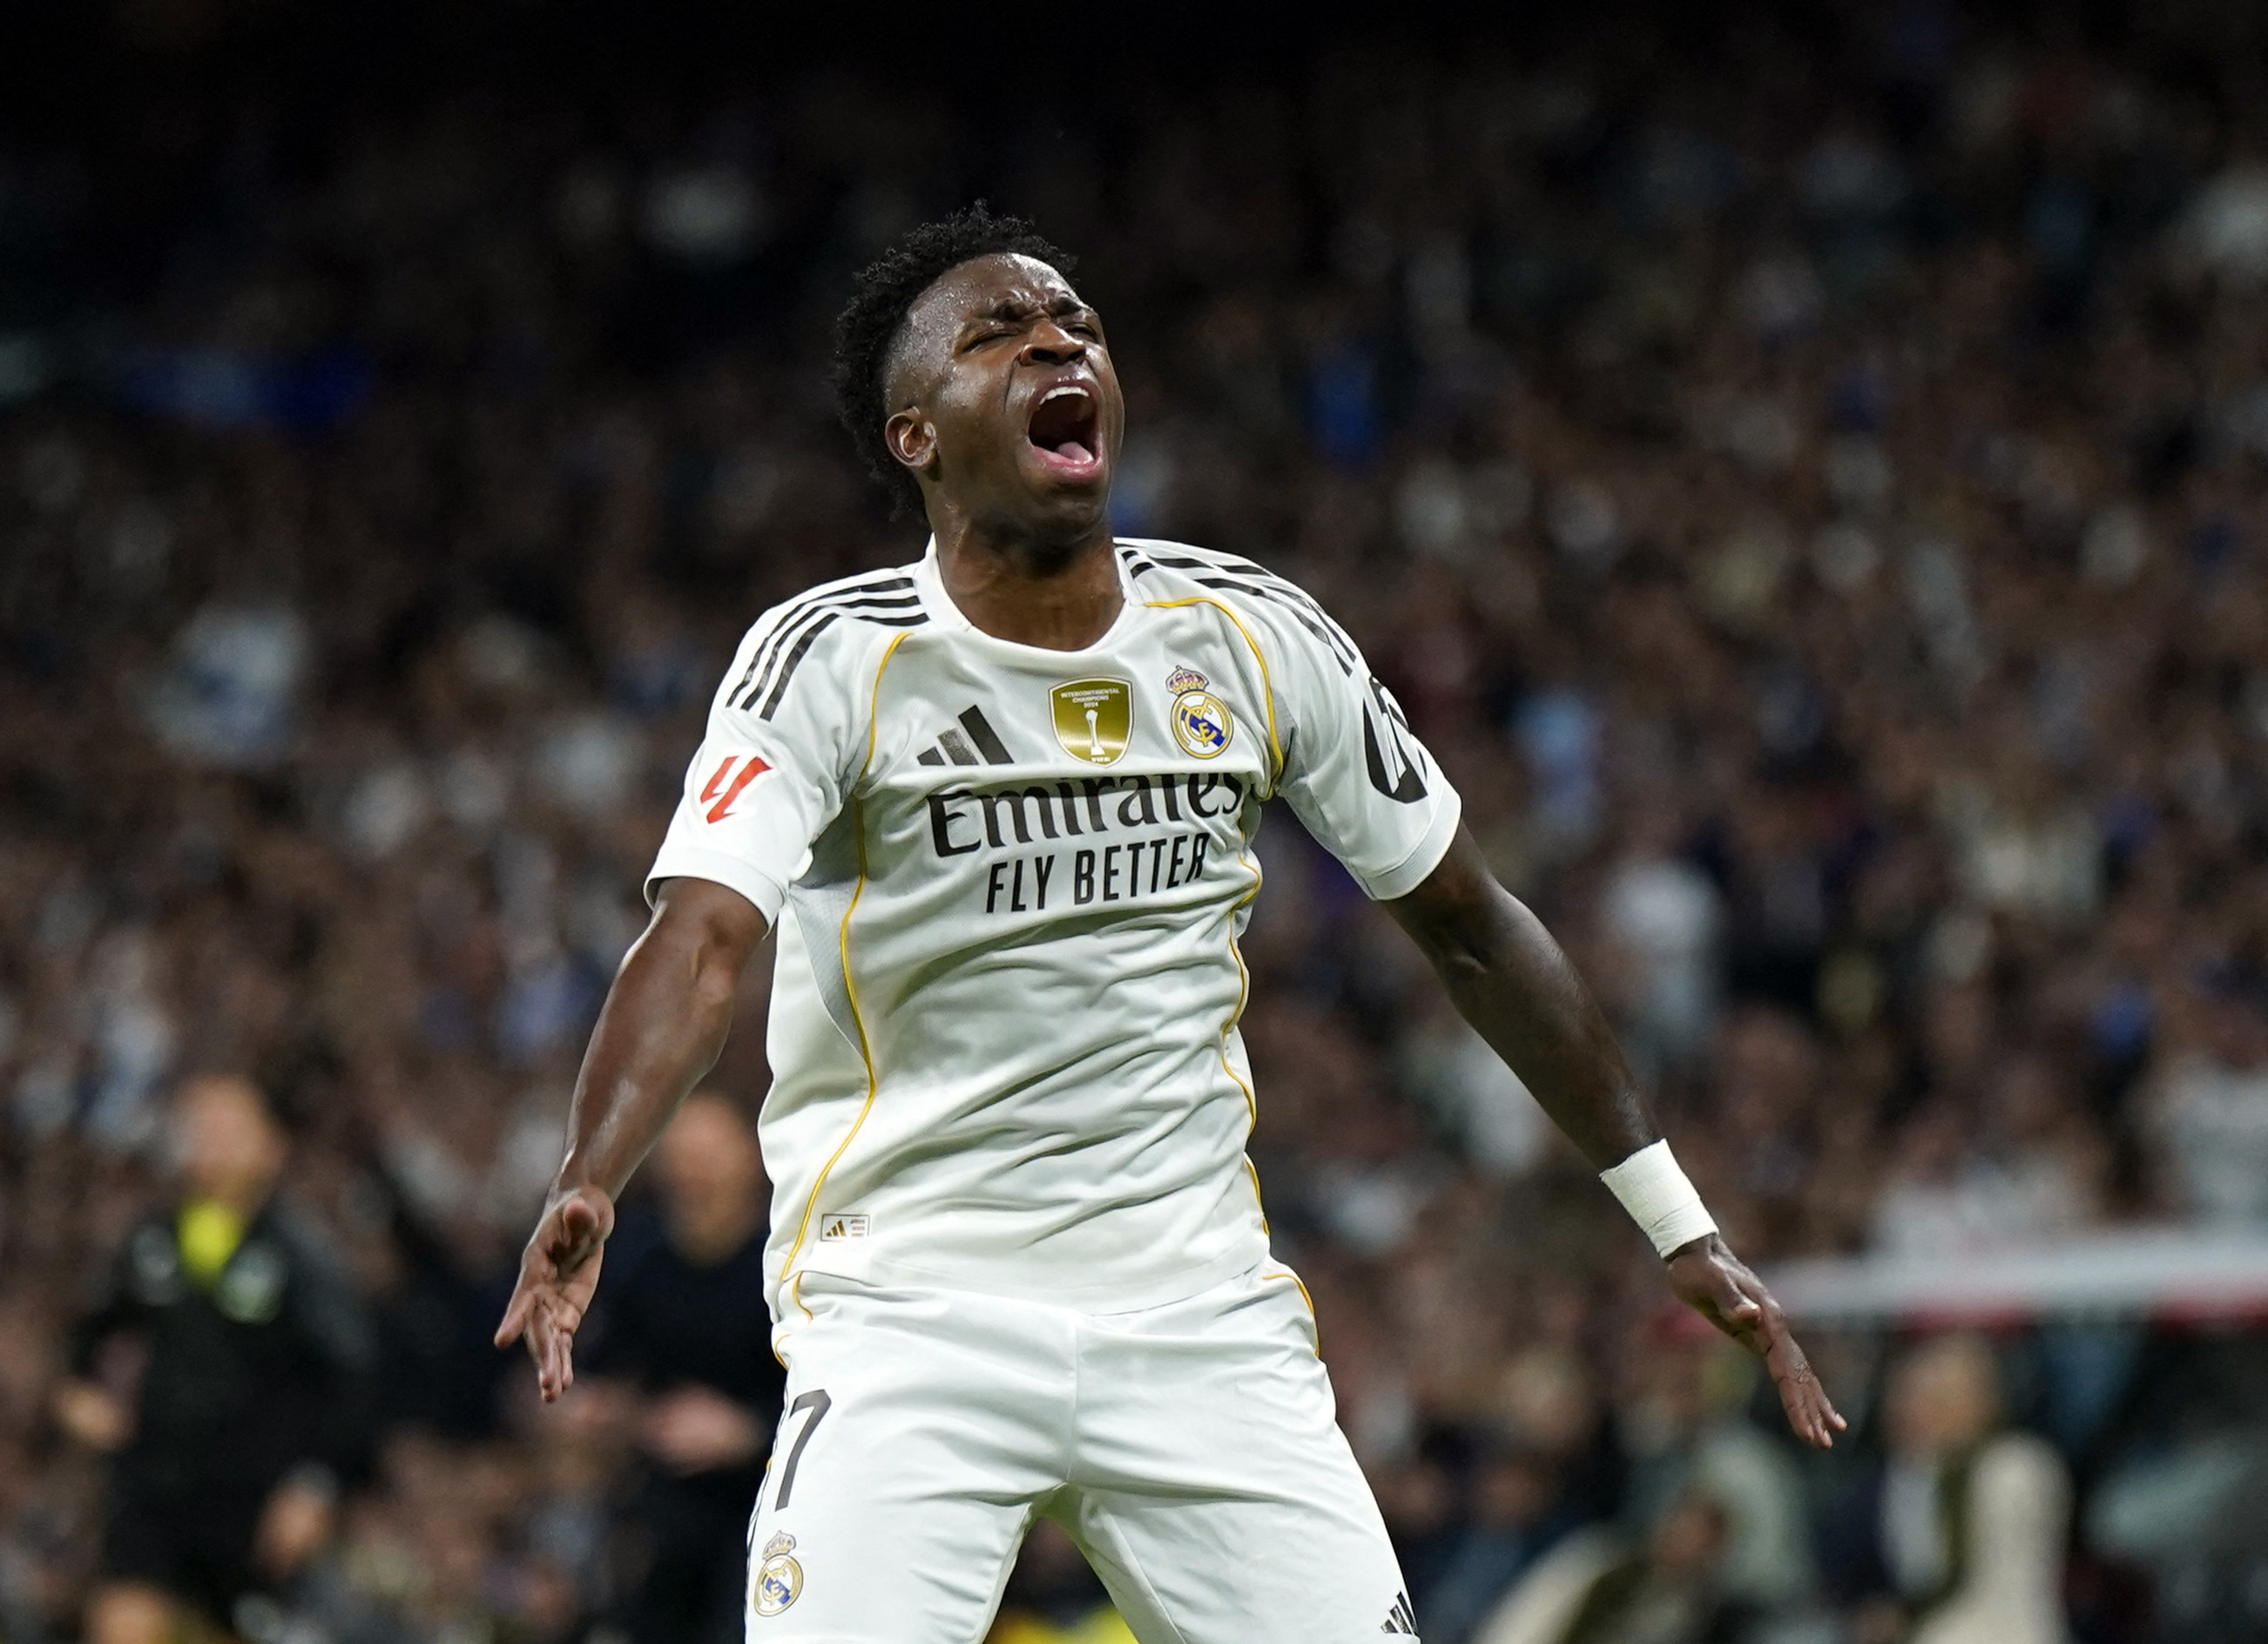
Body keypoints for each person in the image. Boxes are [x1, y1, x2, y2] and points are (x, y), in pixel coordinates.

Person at [494, 205, 1842, 1643]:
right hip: (912, 1316)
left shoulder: (1252, 635)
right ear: (916, 437)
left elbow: (1468, 923)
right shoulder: (830, 661)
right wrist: (592, 1172)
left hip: (1198, 1323)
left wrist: (1671, 1217)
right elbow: (701, 937)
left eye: (1070, 322)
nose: (1053, 340)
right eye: (994, 335)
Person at [56, 1075, 375, 1644]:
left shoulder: (298, 1253)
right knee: (121, 1622)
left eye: (229, 1128)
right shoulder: (155, 1236)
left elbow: (349, 1374)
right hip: (153, 1484)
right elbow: (93, 1327)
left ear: (272, 1147)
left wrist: (313, 1483)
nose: (211, 1141)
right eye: (198, 1127)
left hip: (249, 1500)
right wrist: (80, 1390)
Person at [588, 1093, 785, 1644]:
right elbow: (605, 1378)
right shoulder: (637, 1257)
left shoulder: (791, 1264)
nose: (693, 1177)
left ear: (751, 1161)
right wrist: (612, 1414)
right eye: (680, 1161)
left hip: (772, 1502)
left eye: (709, 1158)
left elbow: (835, 1397)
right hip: (661, 1503)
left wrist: (745, 1434)